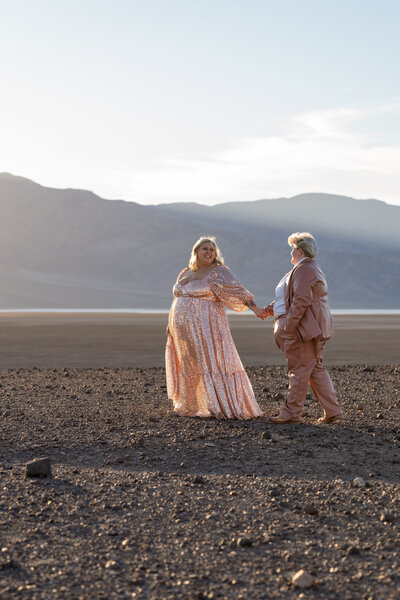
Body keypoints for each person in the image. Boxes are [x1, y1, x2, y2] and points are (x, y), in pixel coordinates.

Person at [166, 236, 265, 419]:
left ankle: (221, 404)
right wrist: (170, 325)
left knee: (211, 362)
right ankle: (190, 405)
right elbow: (177, 299)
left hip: (207, 328)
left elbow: (238, 291)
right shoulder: (185, 272)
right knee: (189, 364)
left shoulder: (219, 271)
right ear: (196, 252)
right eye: (205, 248)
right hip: (182, 330)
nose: (209, 252)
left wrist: (255, 308)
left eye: (212, 249)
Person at [264, 232, 342, 424]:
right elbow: (292, 296)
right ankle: (332, 411)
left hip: (303, 329)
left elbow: (301, 300)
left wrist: (289, 327)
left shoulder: (305, 269)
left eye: (292, 249)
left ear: (299, 250)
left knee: (298, 369)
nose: (290, 252)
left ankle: (291, 414)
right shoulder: (302, 269)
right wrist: (272, 307)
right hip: (305, 328)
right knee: (313, 368)